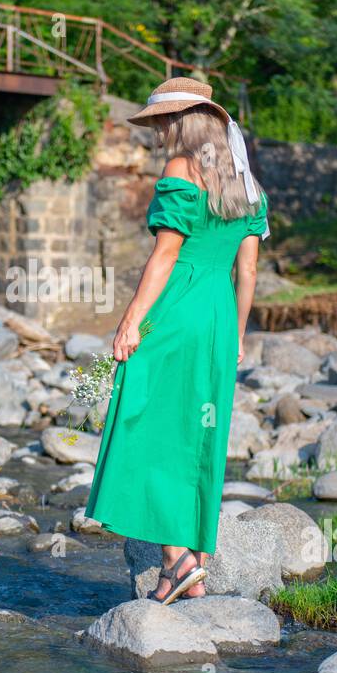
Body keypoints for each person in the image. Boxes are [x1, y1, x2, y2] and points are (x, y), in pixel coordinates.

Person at [85, 76, 270, 605]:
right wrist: (236, 333)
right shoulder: (247, 182)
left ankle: (175, 557)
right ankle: (195, 565)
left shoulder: (181, 169)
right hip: (216, 315)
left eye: (164, 122)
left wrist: (130, 320)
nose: (160, 132)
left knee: (144, 419)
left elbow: (166, 256)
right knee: (200, 433)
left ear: (180, 122)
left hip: (176, 308)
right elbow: (249, 269)